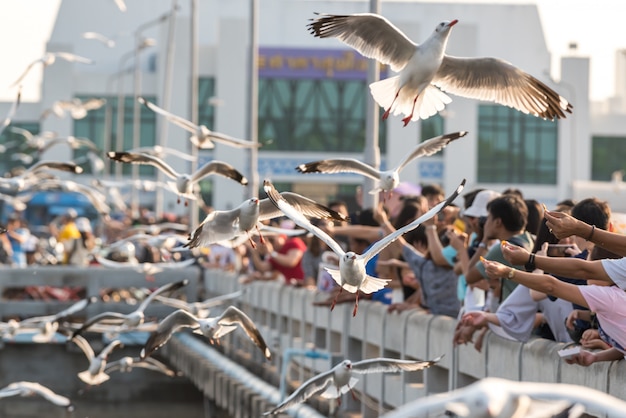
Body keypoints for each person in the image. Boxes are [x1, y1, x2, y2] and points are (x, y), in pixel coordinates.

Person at [483, 244, 626, 366]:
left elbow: (551, 286)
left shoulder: (608, 296)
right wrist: (595, 357)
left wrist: (509, 272)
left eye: (591, 268)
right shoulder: (613, 296)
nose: (586, 275)